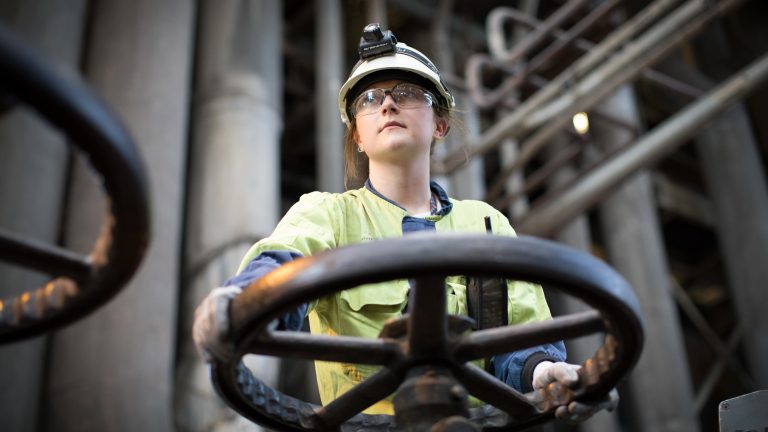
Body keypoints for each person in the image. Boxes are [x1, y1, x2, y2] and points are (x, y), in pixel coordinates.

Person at [193, 23, 618, 423]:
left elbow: (522, 343)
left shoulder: (487, 225)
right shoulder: (328, 216)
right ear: (358, 135)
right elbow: (278, 270)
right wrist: (242, 302)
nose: (388, 104)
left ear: (440, 124)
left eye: (407, 92)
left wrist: (546, 373)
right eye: (370, 100)